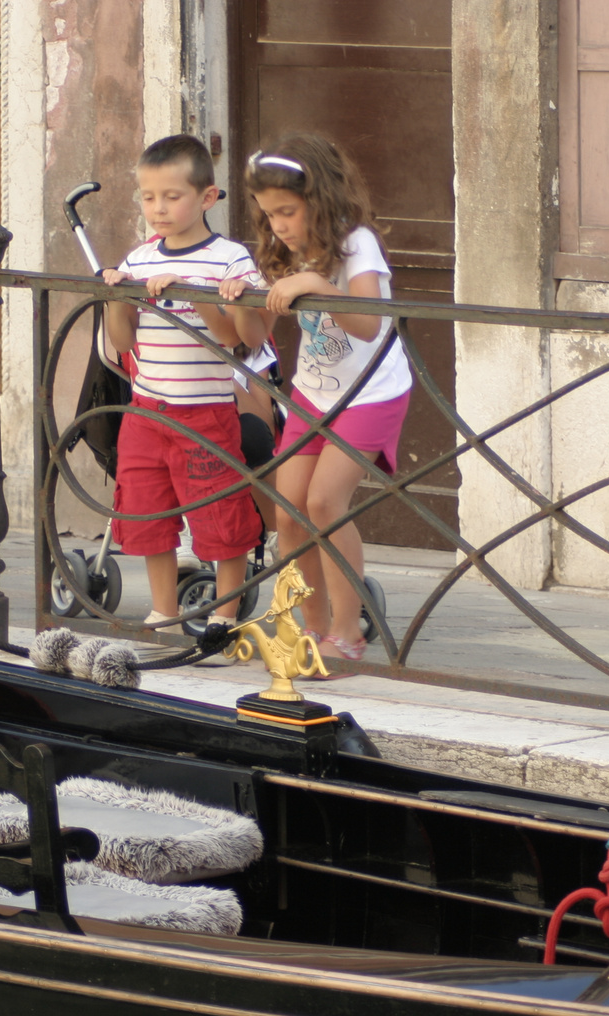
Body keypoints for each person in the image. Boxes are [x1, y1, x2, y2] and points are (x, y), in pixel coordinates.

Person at [226, 133, 412, 661]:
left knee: (324, 503)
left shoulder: (357, 245)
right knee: (288, 512)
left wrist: (320, 286)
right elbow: (256, 333)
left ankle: (348, 635)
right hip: (313, 393)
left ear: (320, 198)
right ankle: (312, 629)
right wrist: (244, 298)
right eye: (268, 214)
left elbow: (370, 324)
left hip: (371, 392)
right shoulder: (284, 249)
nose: (278, 225)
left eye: (287, 211)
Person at [101, 134, 271, 651]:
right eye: (149, 197)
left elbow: (240, 342)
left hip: (206, 410)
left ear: (208, 198)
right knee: (147, 509)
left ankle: (224, 613)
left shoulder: (230, 260)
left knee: (219, 510)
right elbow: (123, 340)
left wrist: (194, 299)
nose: (159, 208)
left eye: (172, 196)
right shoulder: (140, 258)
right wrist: (117, 294)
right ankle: (163, 611)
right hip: (147, 409)